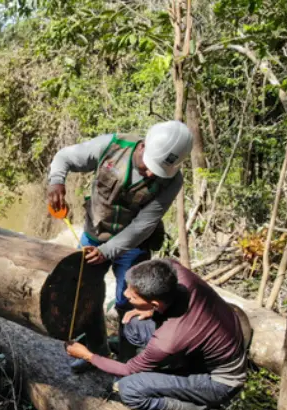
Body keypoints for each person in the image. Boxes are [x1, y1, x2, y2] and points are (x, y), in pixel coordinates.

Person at [47, 120, 193, 369]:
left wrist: (108, 251)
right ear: (143, 146)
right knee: (86, 295)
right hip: (93, 235)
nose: (150, 175)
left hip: (132, 246)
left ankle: (127, 359)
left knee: (130, 302)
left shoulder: (173, 181)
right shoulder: (112, 146)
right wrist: (56, 181)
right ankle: (93, 352)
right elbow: (65, 157)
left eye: (158, 172)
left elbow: (144, 225)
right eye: (149, 167)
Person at [65, 259, 248, 410]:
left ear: (154, 301)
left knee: (130, 390)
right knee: (133, 325)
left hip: (220, 381)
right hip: (209, 343)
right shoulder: (175, 273)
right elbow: (164, 263)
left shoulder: (169, 340)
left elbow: (128, 370)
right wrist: (147, 310)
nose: (126, 294)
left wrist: (88, 355)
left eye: (134, 296)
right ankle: (157, 370)